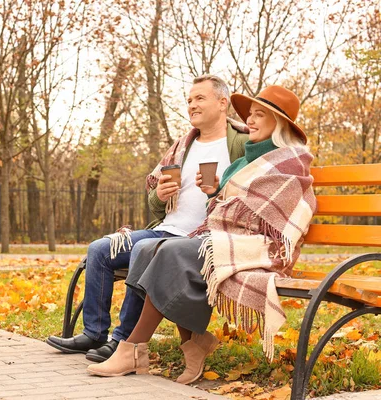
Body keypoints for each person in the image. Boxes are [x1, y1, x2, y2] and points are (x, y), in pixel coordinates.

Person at [86, 85, 317, 385]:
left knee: (167, 250)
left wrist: (226, 203)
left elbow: (277, 214)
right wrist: (216, 193)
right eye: (251, 115)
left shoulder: (290, 160)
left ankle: (133, 348)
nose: (251, 120)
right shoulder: (244, 162)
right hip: (220, 237)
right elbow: (229, 207)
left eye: (260, 115)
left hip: (260, 247)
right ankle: (193, 343)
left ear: (280, 122)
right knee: (148, 249)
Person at [46, 75, 249, 362]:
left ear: (222, 102)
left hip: (203, 239)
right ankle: (93, 333)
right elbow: (155, 206)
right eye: (189, 100)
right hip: (166, 230)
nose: (192, 105)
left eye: (199, 98)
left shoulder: (241, 144)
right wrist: (161, 196)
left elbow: (252, 196)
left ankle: (123, 342)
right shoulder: (182, 147)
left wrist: (220, 190)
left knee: (143, 251)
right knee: (100, 249)